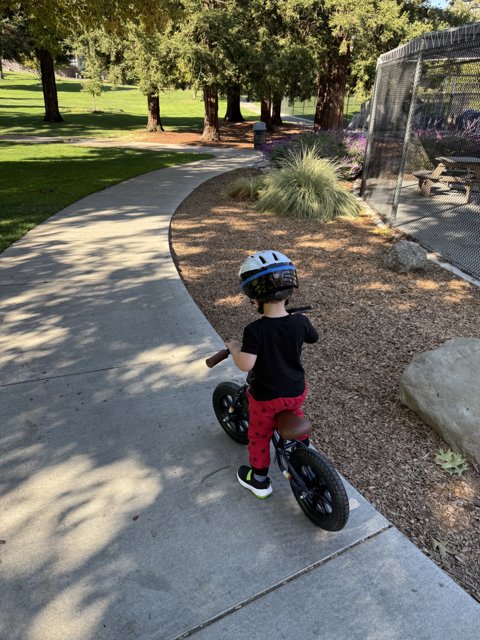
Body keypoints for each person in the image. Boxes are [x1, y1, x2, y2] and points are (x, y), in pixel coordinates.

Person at [226, 250, 319, 499]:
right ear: (290, 290)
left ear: (254, 299)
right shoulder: (300, 322)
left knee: (258, 435)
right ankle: (302, 448)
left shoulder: (256, 330)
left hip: (267, 397)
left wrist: (235, 348)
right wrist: (302, 323)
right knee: (294, 412)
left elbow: (246, 364)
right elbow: (313, 337)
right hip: (296, 391)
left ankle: (259, 480)